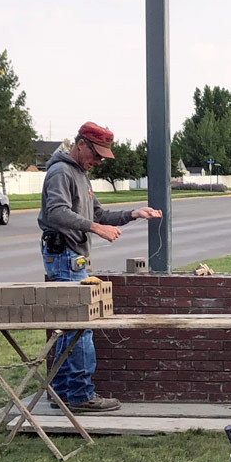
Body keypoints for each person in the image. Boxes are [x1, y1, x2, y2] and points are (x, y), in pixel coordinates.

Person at [37, 121, 162, 413]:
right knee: (81, 328)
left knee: (71, 328)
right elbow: (55, 212)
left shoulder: (80, 174)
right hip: (65, 256)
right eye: (95, 155)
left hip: (73, 256)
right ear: (80, 144)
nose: (97, 162)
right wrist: (95, 228)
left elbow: (100, 213)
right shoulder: (61, 172)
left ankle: (61, 394)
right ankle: (80, 395)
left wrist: (134, 214)